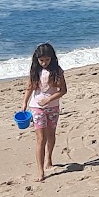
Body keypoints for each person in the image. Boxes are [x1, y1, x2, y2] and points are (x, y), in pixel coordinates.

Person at [21, 42, 68, 182]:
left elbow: (63, 90)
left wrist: (48, 100)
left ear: (52, 58)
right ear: (37, 59)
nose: (44, 63)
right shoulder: (35, 71)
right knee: (40, 139)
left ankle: (49, 157)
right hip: (37, 107)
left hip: (52, 107)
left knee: (51, 135)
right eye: (41, 60)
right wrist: (24, 102)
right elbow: (30, 87)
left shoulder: (57, 71)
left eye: (47, 60)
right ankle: (40, 171)